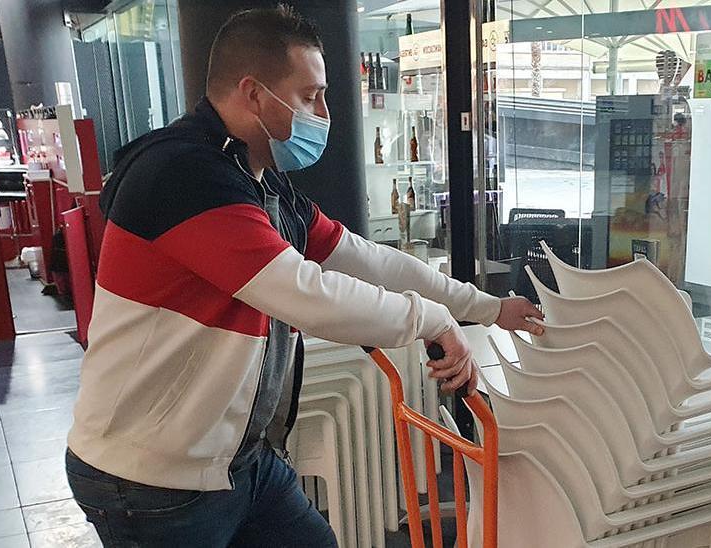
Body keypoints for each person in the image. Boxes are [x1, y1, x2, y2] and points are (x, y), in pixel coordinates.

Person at [65, 6, 543, 547]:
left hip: (236, 460)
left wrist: (486, 307)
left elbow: (366, 258)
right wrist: (430, 319)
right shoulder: (185, 176)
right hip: (152, 477)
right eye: (310, 95)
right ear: (253, 94)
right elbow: (307, 295)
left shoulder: (260, 181)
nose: (324, 112)